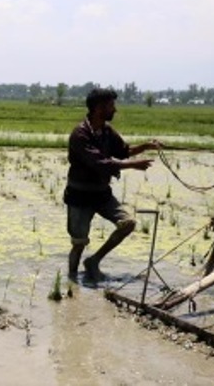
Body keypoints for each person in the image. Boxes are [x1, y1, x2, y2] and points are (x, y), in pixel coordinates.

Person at [64, 88, 162, 282]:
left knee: (128, 223)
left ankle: (93, 261)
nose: (115, 110)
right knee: (79, 243)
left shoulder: (107, 131)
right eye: (111, 106)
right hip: (80, 195)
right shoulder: (80, 134)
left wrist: (146, 146)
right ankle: (71, 282)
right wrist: (133, 165)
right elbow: (100, 163)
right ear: (99, 108)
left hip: (102, 193)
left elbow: (124, 151)